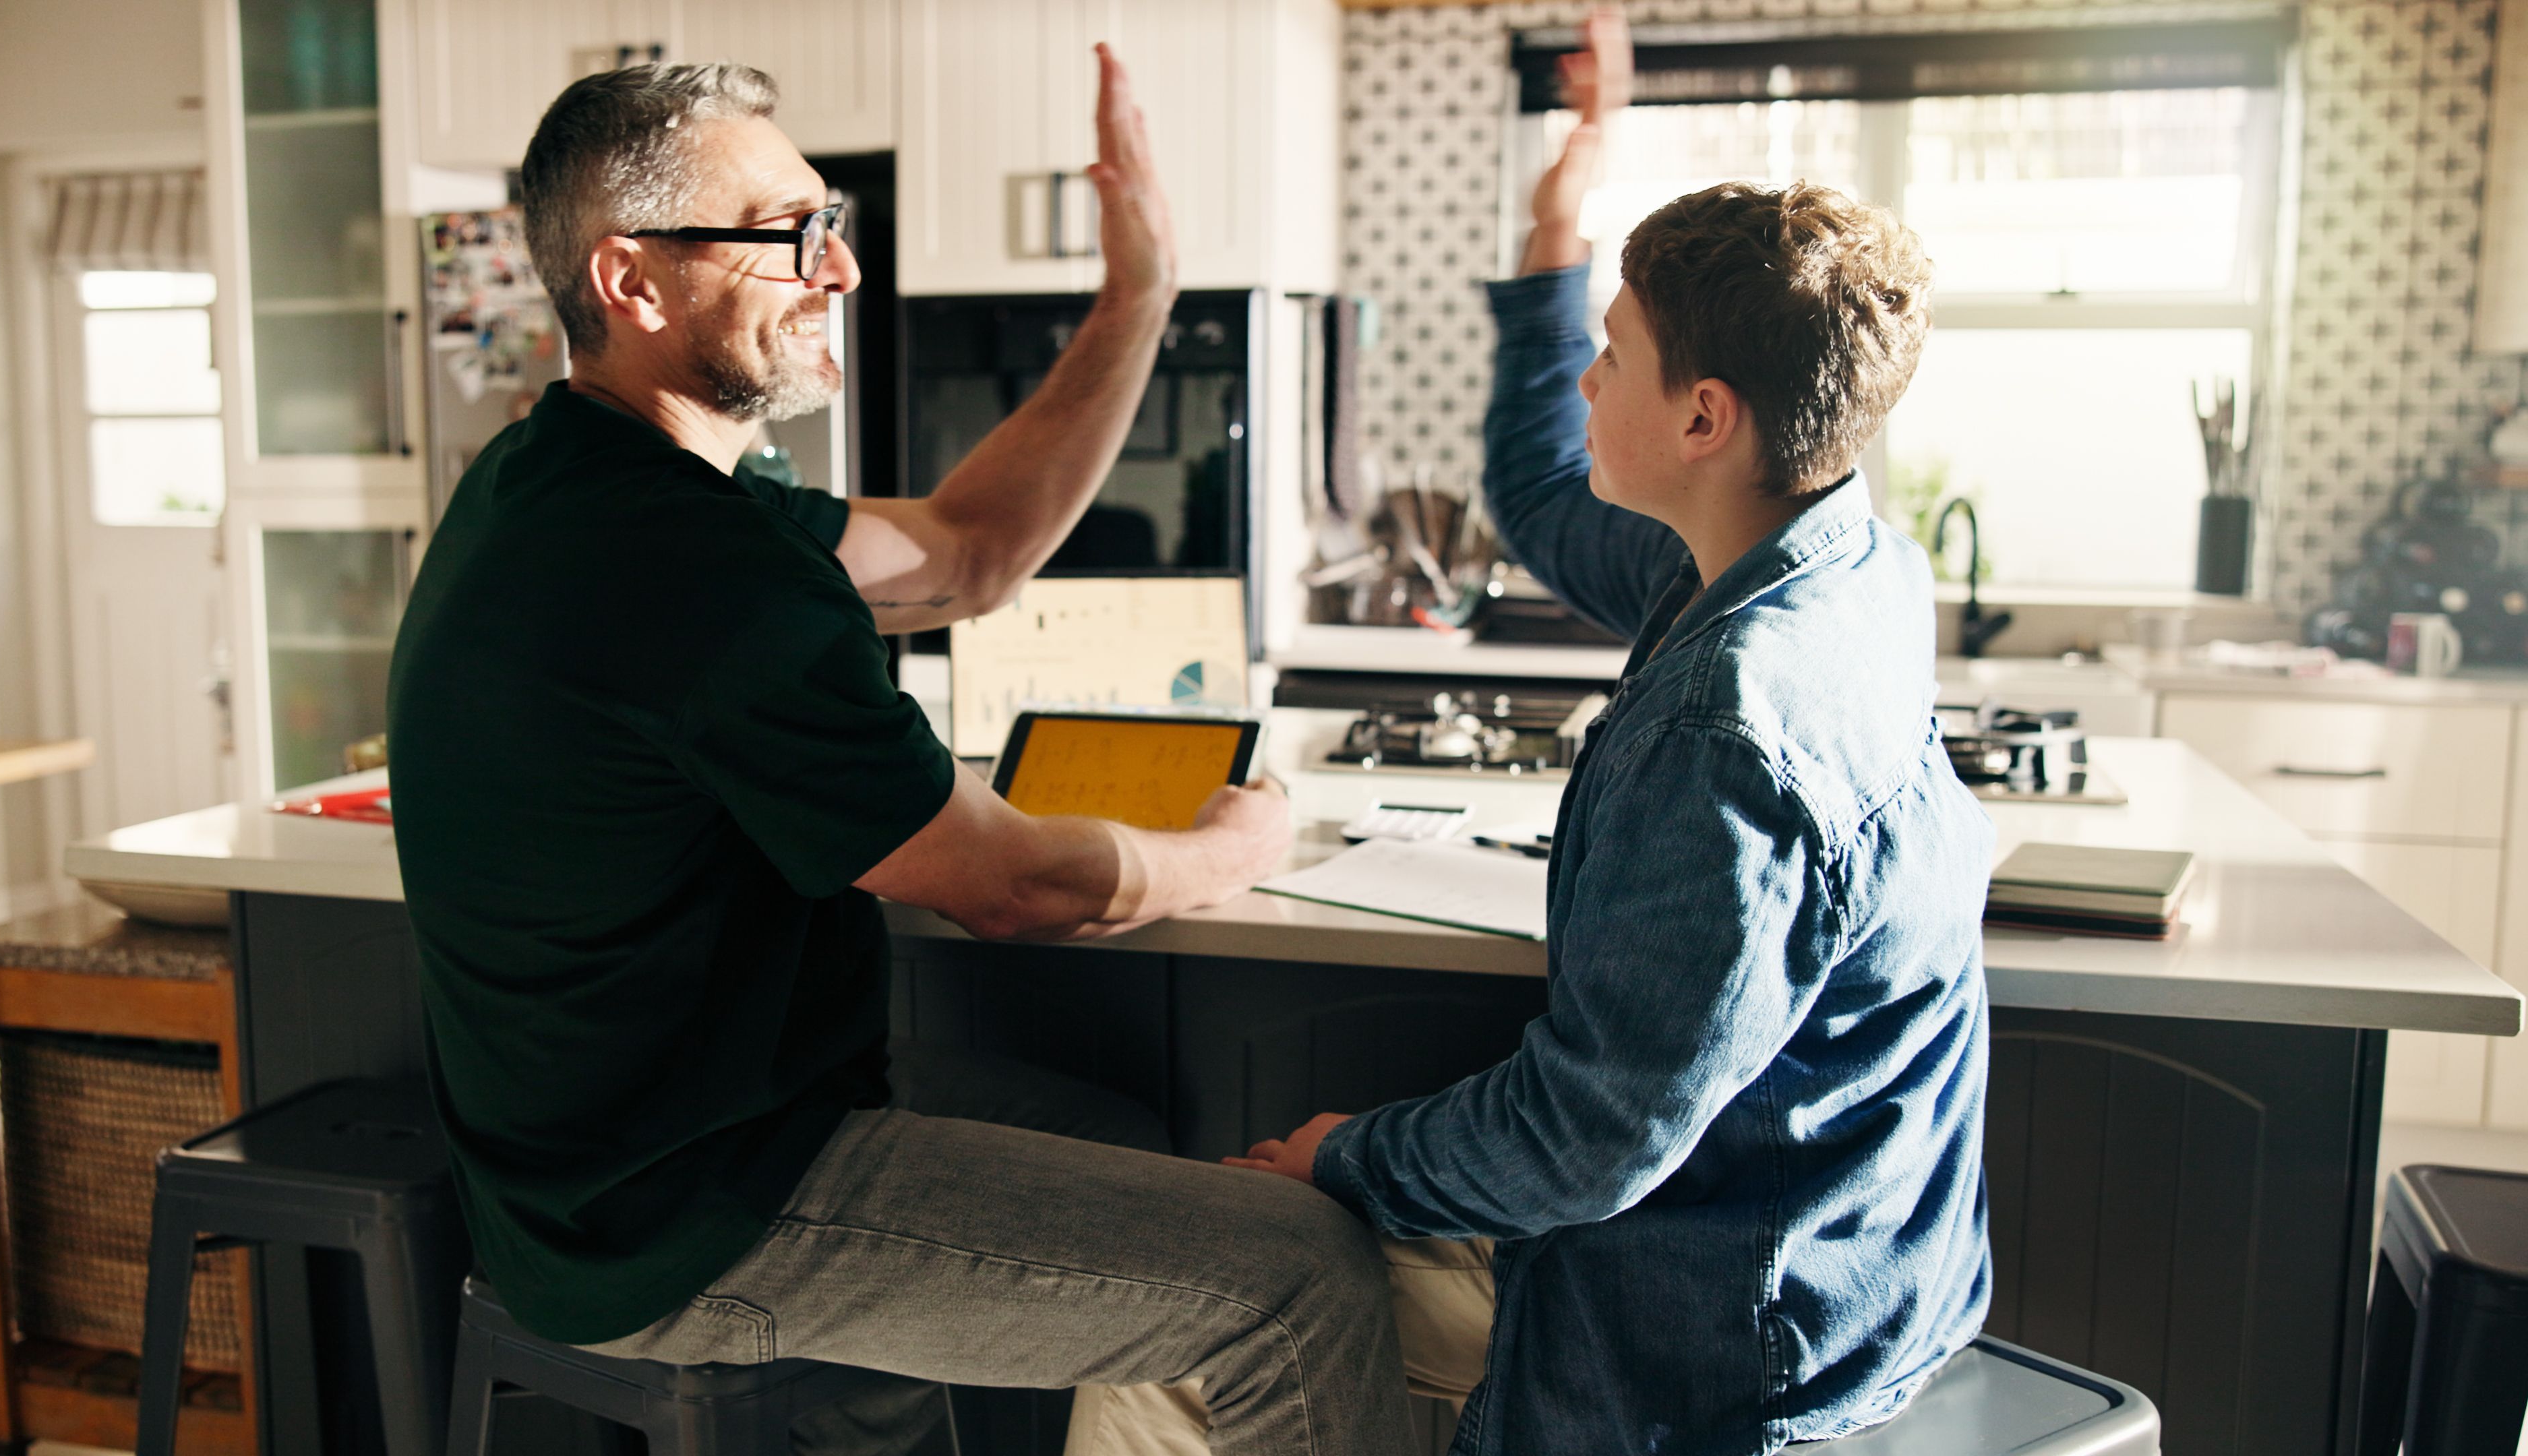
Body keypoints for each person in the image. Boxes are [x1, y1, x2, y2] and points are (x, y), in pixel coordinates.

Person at [387, 50, 1424, 1456]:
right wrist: (1226, 850)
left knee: (1116, 1135)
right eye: (789, 234)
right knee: (1297, 1278)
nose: (841, 269)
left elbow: (967, 552)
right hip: (688, 1213)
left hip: (637, 1157)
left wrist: (1138, 296)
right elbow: (1012, 887)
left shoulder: (575, 477)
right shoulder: (686, 563)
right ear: (634, 282)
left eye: (830, 223)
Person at [1071, 11, 1994, 1455]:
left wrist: (1345, 1156)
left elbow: (1585, 1142)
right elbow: (1548, 501)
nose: (1586, 381)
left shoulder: (1726, 726)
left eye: (1610, 355)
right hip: (1852, 1276)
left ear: (1702, 418)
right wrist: (1558, 214)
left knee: (1167, 1326)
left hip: (1721, 1342)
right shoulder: (1838, 564)